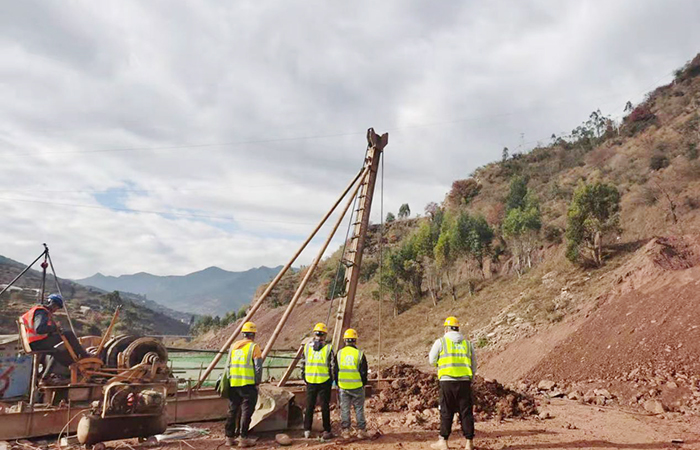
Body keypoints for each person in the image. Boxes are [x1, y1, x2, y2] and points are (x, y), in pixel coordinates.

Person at [428, 316, 477, 450]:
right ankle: (469, 442)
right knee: (466, 412)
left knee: (446, 410)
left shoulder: (441, 342)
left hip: (447, 381)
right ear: (458, 328)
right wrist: (470, 379)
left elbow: (432, 360)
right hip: (464, 382)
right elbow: (474, 364)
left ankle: (443, 441)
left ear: (446, 329)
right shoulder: (467, 344)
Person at [20, 294, 88, 369]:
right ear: (50, 302)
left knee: (59, 353)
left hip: (34, 343)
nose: (56, 309)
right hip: (37, 343)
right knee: (68, 334)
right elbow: (40, 329)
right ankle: (84, 356)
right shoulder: (41, 312)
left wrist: (53, 330)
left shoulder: (37, 311)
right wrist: (55, 328)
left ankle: (46, 378)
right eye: (56, 306)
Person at [225, 321, 263, 448]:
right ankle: (243, 438)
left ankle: (229, 438)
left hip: (234, 383)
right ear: (253, 335)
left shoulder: (233, 346)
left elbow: (228, 365)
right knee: (247, 411)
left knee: (232, 410)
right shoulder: (254, 347)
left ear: (243, 334)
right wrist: (257, 382)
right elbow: (258, 368)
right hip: (248, 385)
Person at [300, 322, 334, 440]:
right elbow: (332, 366)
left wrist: (304, 377)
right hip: (324, 381)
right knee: (325, 406)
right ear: (324, 335)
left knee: (309, 406)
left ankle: (307, 430)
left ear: (314, 334)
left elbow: (303, 364)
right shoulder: (329, 348)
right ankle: (327, 429)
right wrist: (332, 379)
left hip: (310, 380)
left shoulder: (307, 347)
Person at [334, 328, 369, 439]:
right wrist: (362, 383)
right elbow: (363, 372)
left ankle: (346, 431)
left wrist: (338, 383)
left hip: (343, 386)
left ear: (345, 340)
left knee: (345, 409)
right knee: (359, 409)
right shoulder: (359, 354)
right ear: (355, 340)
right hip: (357, 386)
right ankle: (361, 431)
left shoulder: (339, 354)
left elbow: (335, 370)